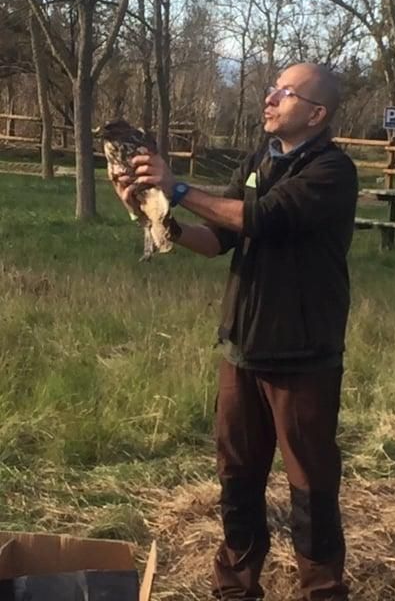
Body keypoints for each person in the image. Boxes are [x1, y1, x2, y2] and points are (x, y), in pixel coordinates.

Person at [112, 63, 358, 601]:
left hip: (303, 357)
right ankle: (236, 589)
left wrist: (175, 185)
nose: (269, 98)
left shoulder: (332, 172)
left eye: (284, 92)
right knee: (237, 482)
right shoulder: (259, 161)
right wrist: (157, 215)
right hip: (242, 351)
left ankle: (322, 590)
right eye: (271, 89)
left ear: (316, 113)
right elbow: (219, 236)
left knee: (311, 490)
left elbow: (262, 218)